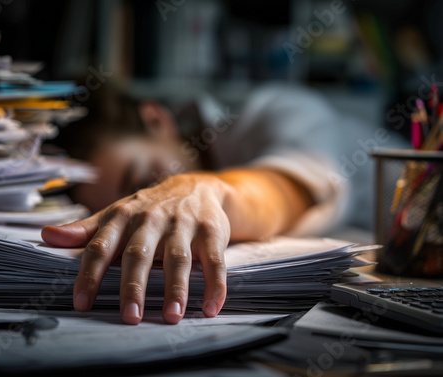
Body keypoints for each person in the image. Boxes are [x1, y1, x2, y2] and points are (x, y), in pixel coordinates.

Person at [41, 82, 407, 325]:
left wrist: (200, 189)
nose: (148, 208)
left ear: (156, 120)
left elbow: (287, 190)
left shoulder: (278, 111)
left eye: (146, 185)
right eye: (126, 212)